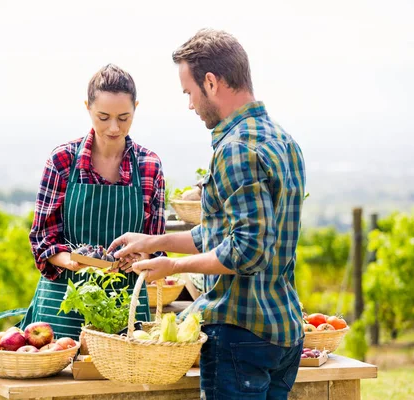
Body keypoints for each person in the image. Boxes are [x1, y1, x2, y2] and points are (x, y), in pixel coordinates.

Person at [109, 29, 306, 399]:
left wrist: (175, 267)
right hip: (282, 333)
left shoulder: (235, 149)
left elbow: (247, 252)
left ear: (211, 83)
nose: (190, 104)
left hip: (239, 333)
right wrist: (157, 242)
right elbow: (226, 233)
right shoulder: (282, 141)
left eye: (189, 92)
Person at [25, 64, 166, 341]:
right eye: (103, 117)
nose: (114, 127)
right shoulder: (62, 161)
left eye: (124, 117)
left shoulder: (149, 166)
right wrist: (72, 261)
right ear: (87, 108)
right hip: (63, 303)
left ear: (136, 108)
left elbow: (157, 244)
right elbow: (43, 238)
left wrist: (142, 257)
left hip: (125, 306)